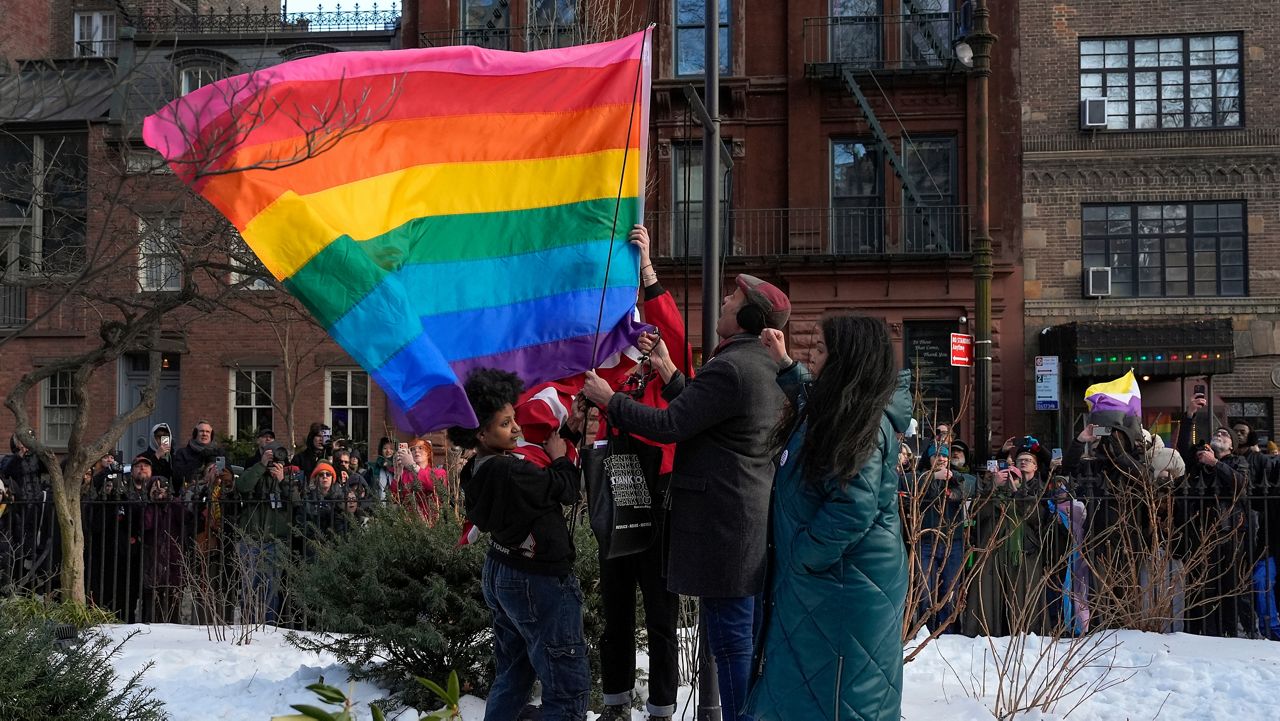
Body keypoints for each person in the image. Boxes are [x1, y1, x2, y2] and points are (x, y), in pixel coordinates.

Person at [582, 272, 792, 721]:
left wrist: (609, 399)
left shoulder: (733, 368)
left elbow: (671, 426)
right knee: (742, 645)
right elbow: (706, 416)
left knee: (732, 647)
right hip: (742, 527)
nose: (723, 301)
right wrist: (668, 369)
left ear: (750, 316)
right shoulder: (755, 364)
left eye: (732, 298)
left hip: (724, 531)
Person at [743, 316, 910, 721]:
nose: (811, 356)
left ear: (845, 359)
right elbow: (810, 399)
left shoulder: (862, 423)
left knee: (838, 700)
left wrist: (805, 555)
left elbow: (853, 507)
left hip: (843, 586)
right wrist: (784, 365)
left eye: (820, 350)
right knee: (807, 693)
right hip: (825, 585)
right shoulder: (841, 406)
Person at [449, 368, 588, 721]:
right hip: (538, 581)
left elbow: (541, 480)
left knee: (514, 674)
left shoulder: (481, 468)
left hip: (505, 571)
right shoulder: (511, 472)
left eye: (513, 420)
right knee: (567, 688)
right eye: (505, 424)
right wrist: (560, 457)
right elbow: (565, 489)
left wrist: (568, 432)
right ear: (480, 432)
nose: (516, 429)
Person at [171, 420, 222, 496]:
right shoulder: (183, 453)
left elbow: (227, 475)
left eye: (207, 432)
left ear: (211, 435)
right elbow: (177, 477)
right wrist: (198, 458)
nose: (204, 434)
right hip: (190, 492)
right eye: (201, 431)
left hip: (215, 493)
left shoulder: (219, 453)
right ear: (195, 434)